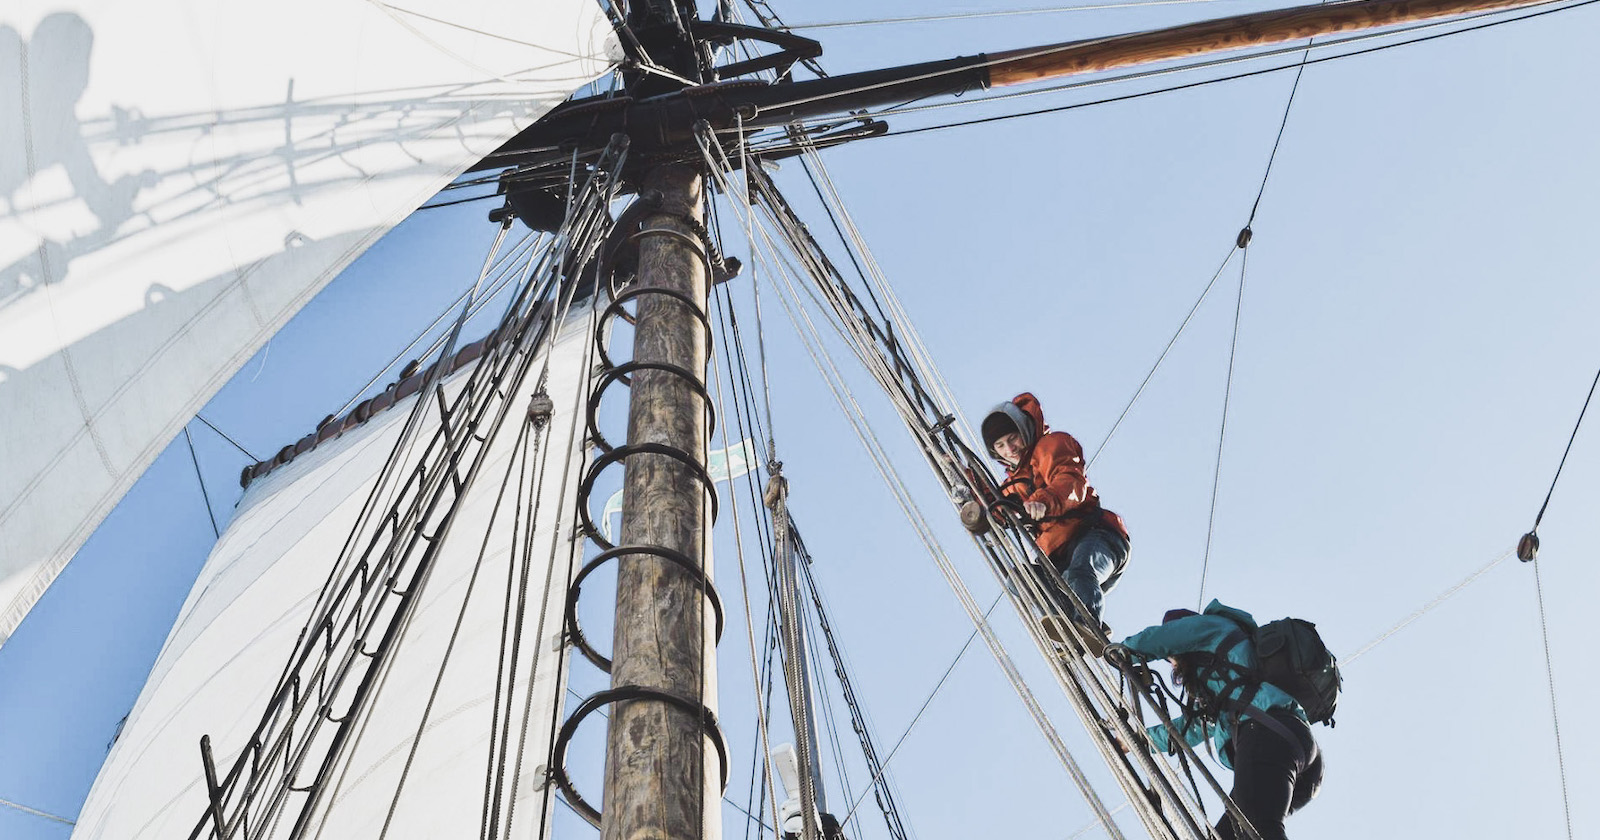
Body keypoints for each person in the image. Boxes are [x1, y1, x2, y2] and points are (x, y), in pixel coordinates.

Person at [1107, 601, 1325, 840]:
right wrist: (1136, 741)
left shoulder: (1211, 627)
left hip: (1268, 733)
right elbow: (1187, 731)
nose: (1172, 663)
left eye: (1172, 658)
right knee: (1231, 835)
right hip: (1292, 748)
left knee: (1259, 830)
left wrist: (1122, 650)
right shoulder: (1222, 692)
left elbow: (1160, 638)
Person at [976, 392, 1129, 639]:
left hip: (1097, 536)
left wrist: (1043, 501)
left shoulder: (1052, 446)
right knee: (1022, 582)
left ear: (1023, 431)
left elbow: (1070, 481)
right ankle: (1069, 627)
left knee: (1080, 572)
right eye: (1001, 446)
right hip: (1059, 559)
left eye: (1012, 438)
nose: (1010, 449)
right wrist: (969, 483)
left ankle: (1086, 626)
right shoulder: (1013, 484)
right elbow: (1000, 510)